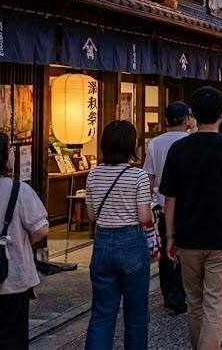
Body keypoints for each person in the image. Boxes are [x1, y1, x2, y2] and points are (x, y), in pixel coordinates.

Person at [159, 87, 222, 350]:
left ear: (193, 115)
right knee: (215, 306)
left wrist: (170, 236)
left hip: (188, 237)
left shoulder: (179, 149)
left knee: (195, 304)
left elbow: (170, 198)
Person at [0, 132, 49, 349]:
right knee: (10, 340)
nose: (13, 153)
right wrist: (24, 241)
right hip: (11, 279)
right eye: (9, 149)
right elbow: (41, 230)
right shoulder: (18, 190)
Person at [84, 120, 153, 349]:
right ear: (130, 145)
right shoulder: (138, 176)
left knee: (102, 312)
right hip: (131, 241)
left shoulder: (93, 174)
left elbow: (91, 216)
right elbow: (144, 217)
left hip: (102, 242)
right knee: (136, 314)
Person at [143, 101, 192, 314]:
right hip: (188, 205)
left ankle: (167, 292)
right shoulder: (191, 141)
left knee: (164, 248)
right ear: (187, 120)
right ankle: (180, 293)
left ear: (166, 120)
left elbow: (149, 176)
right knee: (185, 249)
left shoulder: (155, 143)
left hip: (163, 204)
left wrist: (148, 202)